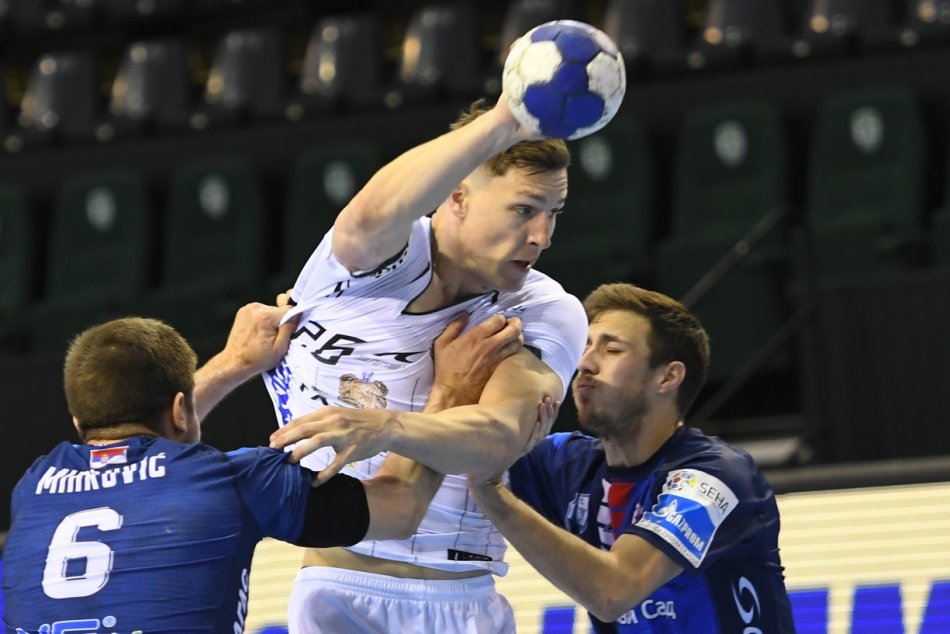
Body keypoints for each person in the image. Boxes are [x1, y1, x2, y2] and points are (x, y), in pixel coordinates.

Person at [264, 95, 588, 633]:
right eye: (524, 210)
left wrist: (386, 428)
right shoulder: (372, 259)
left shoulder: (543, 310)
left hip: (457, 599)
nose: (542, 237)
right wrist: (504, 120)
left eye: (553, 213)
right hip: (334, 588)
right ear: (458, 196)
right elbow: (368, 215)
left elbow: (501, 436)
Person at [1, 301, 518, 632]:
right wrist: (449, 389)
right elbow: (401, 507)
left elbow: (151, 446)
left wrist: (236, 362)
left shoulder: (35, 486)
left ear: (78, 420)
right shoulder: (233, 482)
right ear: (181, 408)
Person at [453, 283, 796, 632]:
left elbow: (613, 592)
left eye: (612, 349)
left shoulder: (715, 477)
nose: (585, 363)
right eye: (585, 346)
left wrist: (491, 492)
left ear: (668, 377)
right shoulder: (566, 464)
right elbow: (466, 444)